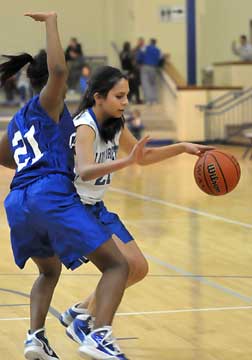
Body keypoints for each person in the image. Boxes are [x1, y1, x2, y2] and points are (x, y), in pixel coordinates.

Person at [0, 12, 149, 360]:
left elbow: (6, 157)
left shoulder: (18, 120)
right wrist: (52, 22)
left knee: (48, 270)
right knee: (117, 266)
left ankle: (35, 339)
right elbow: (60, 71)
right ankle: (98, 335)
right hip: (48, 193)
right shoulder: (49, 104)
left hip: (17, 201)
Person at [59, 65, 215, 344]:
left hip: (96, 206)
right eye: (119, 96)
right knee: (121, 266)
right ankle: (87, 325)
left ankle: (81, 311)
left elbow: (141, 156)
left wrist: (182, 147)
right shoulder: (85, 125)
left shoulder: (114, 123)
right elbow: (84, 170)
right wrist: (126, 161)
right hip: (74, 208)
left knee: (138, 268)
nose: (126, 101)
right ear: (99, 97)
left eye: (127, 95)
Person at [137, 38, 164, 104]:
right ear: (155, 43)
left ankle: (148, 100)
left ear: (150, 42)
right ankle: (154, 100)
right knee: (153, 84)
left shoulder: (144, 48)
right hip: (154, 68)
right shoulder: (158, 50)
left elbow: (139, 57)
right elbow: (161, 60)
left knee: (146, 84)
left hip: (145, 67)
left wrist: (140, 63)